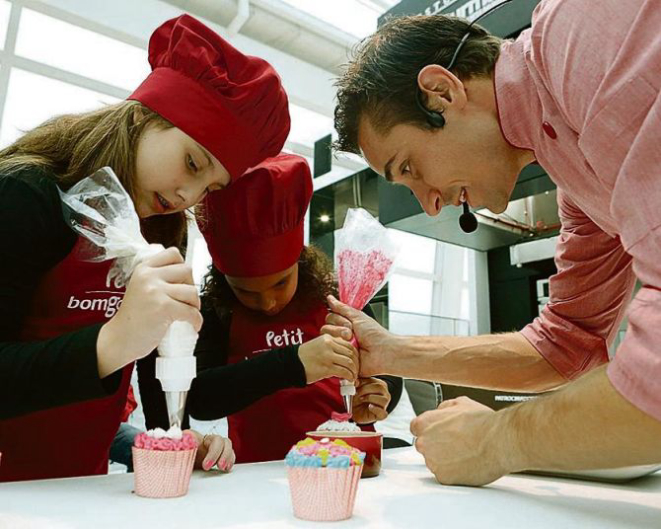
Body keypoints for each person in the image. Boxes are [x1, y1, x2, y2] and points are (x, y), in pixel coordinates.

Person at [325, 0, 661, 486]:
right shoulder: (574, 176)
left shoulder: (580, 28)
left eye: (409, 169)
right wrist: (389, 352)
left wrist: (497, 440)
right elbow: (569, 345)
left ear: (441, 93)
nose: (431, 205)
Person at [0, 14, 290, 482]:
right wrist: (112, 341)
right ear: (143, 117)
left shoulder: (159, 232)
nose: (189, 197)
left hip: (83, 486)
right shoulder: (27, 195)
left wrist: (174, 439)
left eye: (211, 188)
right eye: (192, 162)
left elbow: (157, 382)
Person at [185, 153, 400, 463]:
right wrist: (293, 363)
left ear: (299, 262)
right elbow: (201, 399)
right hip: (257, 471)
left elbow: (388, 367)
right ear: (223, 281)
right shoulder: (217, 311)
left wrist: (380, 392)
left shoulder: (338, 297)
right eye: (245, 291)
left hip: (345, 465)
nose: (268, 303)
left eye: (281, 283)